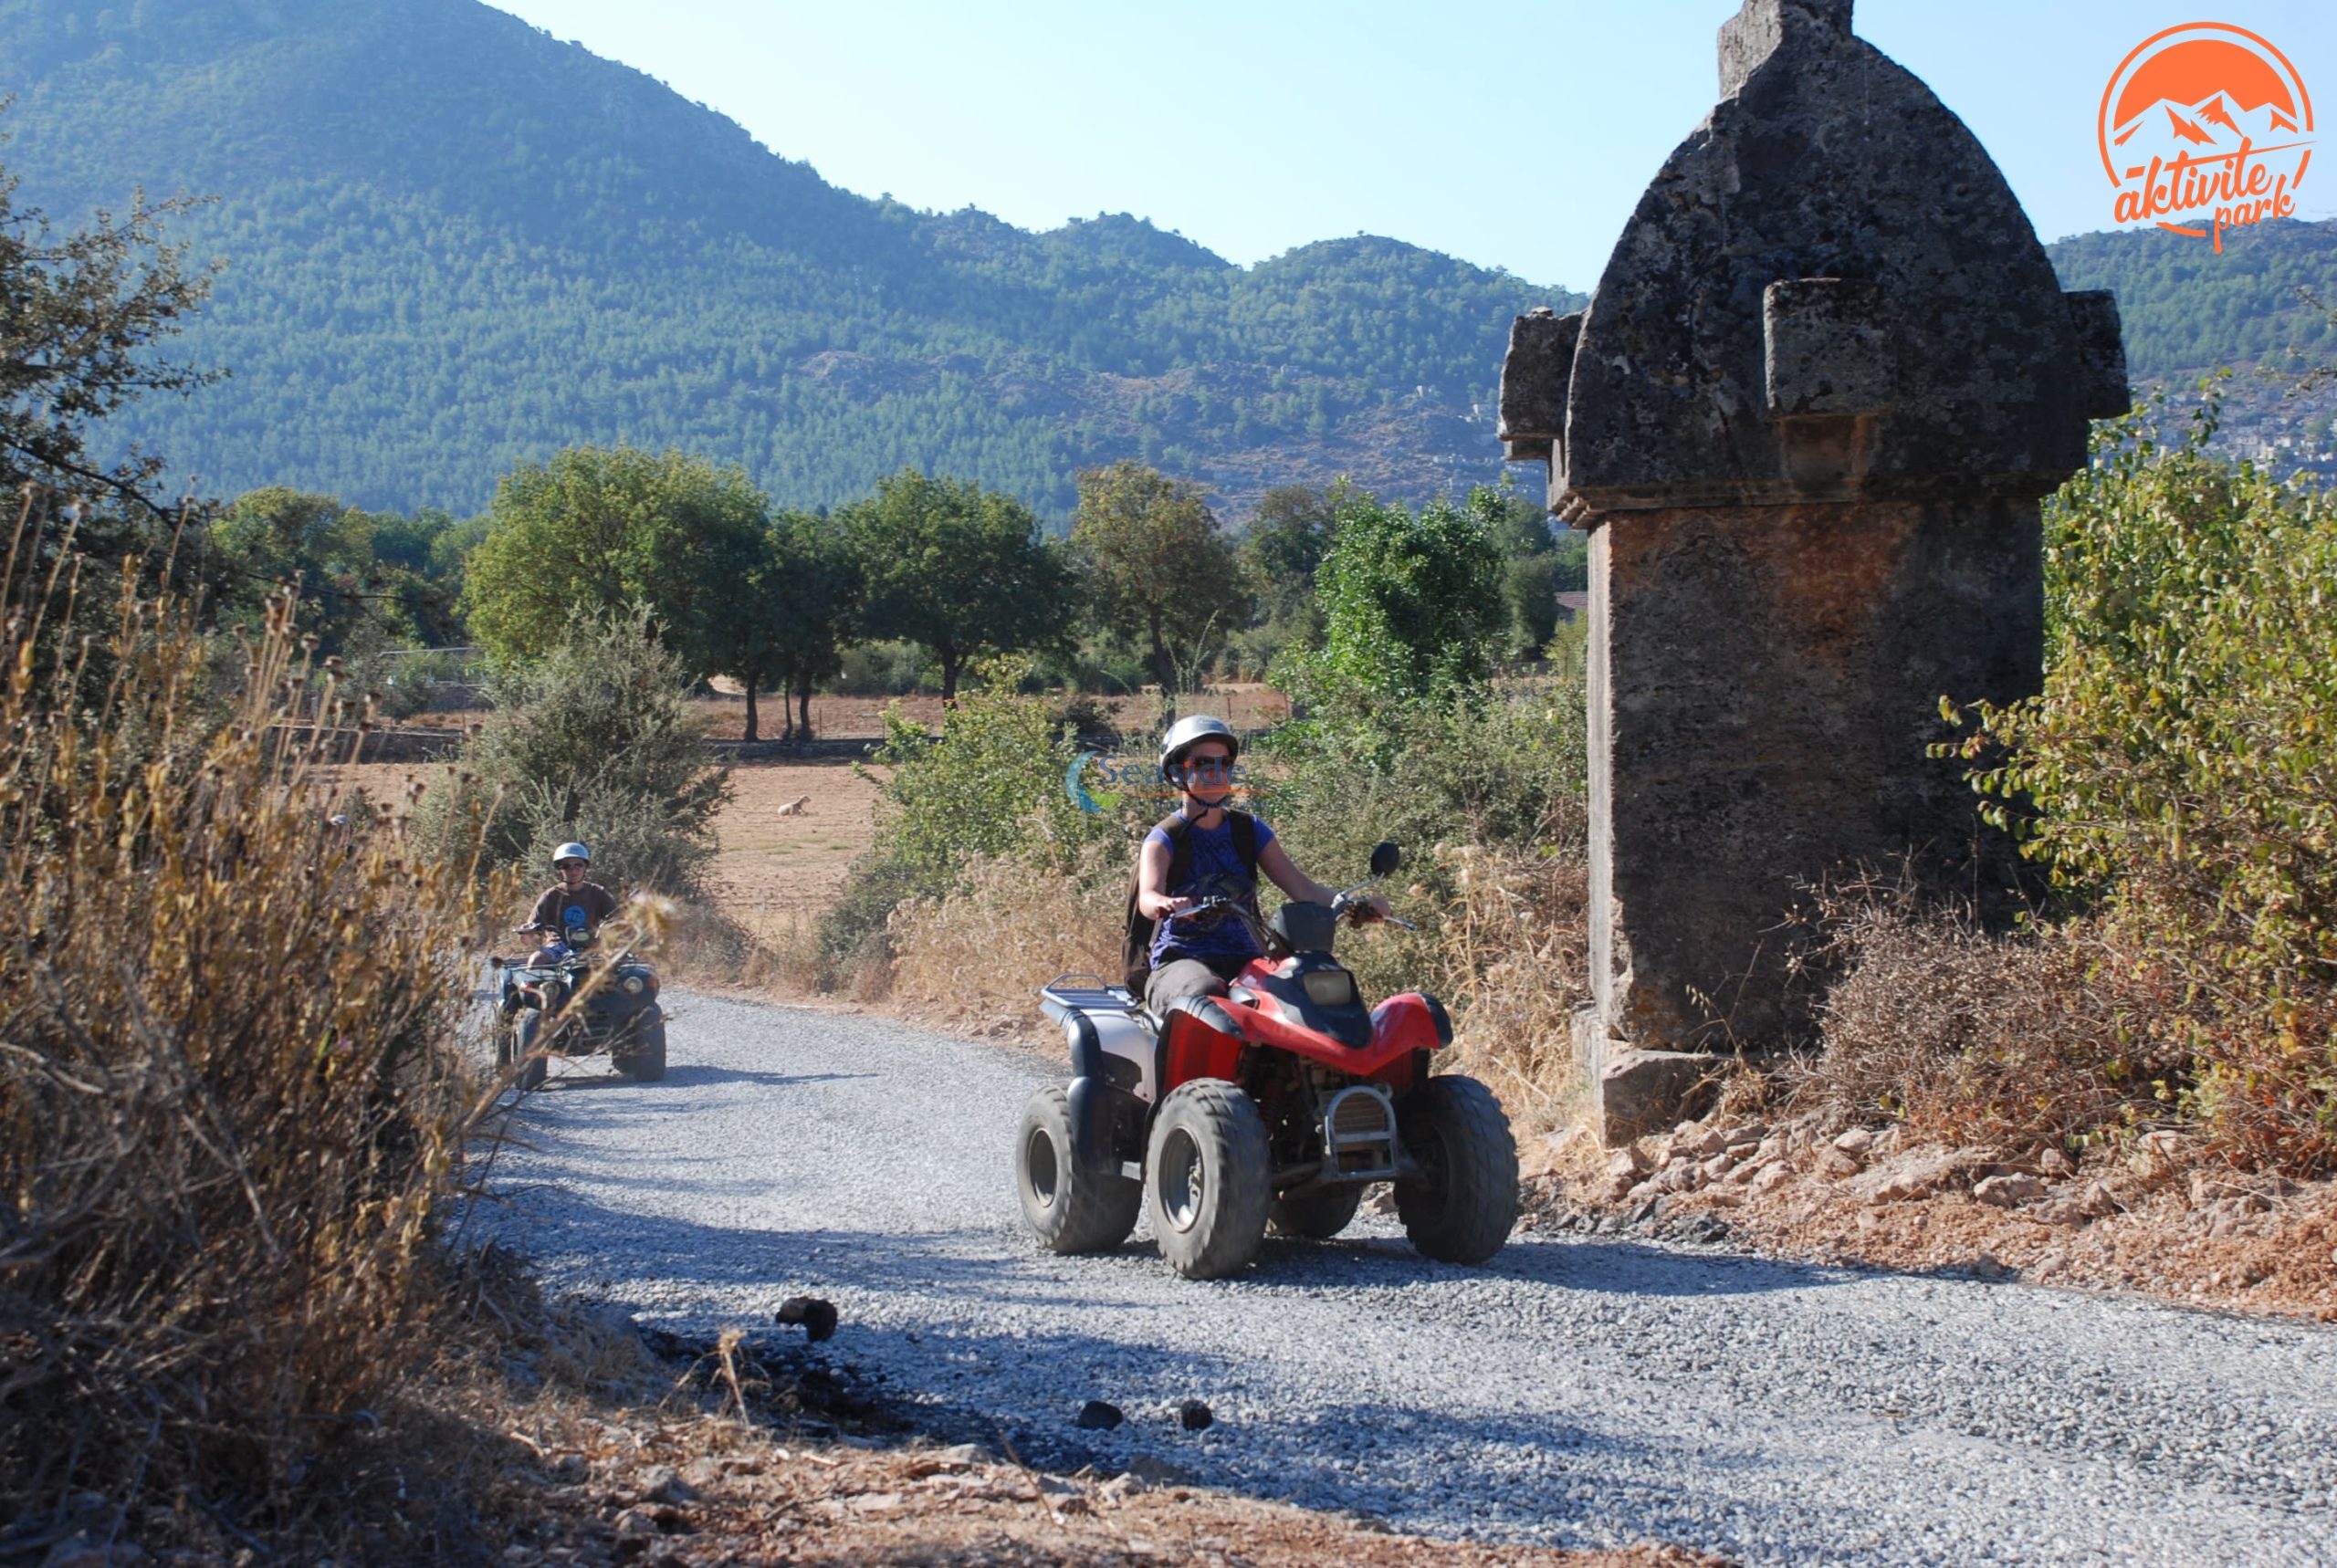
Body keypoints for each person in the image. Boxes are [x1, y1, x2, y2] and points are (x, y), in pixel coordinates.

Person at [1134, 715, 1389, 1012]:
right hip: (1181, 960)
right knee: (1206, 992)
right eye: (1204, 764)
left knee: (1312, 987)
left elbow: (1302, 888)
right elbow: (1148, 898)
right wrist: (1168, 903)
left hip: (1249, 959)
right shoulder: (1163, 838)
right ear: (1177, 772)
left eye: (1224, 764)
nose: (1217, 773)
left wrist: (1352, 904)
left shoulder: (1249, 831)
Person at [519, 841, 617, 962]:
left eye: (578, 865)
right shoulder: (551, 895)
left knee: (622, 963)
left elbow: (618, 921)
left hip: (592, 947)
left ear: (585, 867)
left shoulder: (598, 892)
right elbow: (532, 927)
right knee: (536, 959)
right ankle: (540, 982)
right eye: (567, 866)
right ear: (560, 869)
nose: (573, 870)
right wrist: (527, 933)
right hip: (558, 947)